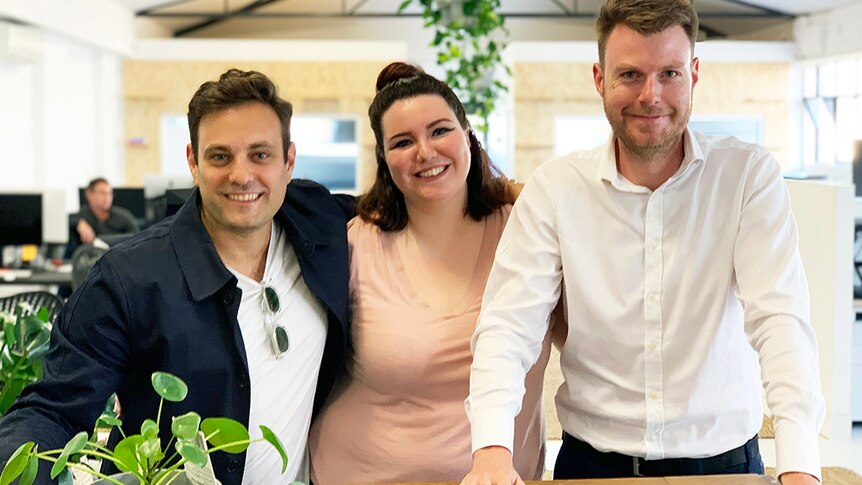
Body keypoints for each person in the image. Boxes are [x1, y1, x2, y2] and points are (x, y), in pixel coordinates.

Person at [462, 1, 825, 484]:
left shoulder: (746, 176)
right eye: (630, 74)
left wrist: (800, 465)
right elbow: (509, 327)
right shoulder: (556, 189)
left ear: (694, 74)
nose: (650, 95)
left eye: (669, 73)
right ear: (599, 78)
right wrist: (490, 448)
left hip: (724, 466)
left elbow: (780, 318)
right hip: (591, 468)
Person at [0, 69, 352, 484]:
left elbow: (409, 206)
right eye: (220, 156)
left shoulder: (321, 224)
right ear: (193, 162)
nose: (242, 175)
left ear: (289, 161)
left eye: (261, 155)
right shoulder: (129, 277)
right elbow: (52, 410)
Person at [308, 62, 556, 484]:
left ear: (468, 136)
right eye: (403, 142)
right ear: (384, 161)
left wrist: (522, 191)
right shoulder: (354, 245)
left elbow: (586, 220)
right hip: (360, 475)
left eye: (440, 130)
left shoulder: (527, 231)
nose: (425, 152)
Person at [76, 177, 140, 244]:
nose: (107, 197)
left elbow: (137, 237)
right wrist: (79, 223)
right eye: (102, 193)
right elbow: (69, 219)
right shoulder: (82, 215)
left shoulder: (123, 216)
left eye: (109, 193)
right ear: (89, 195)